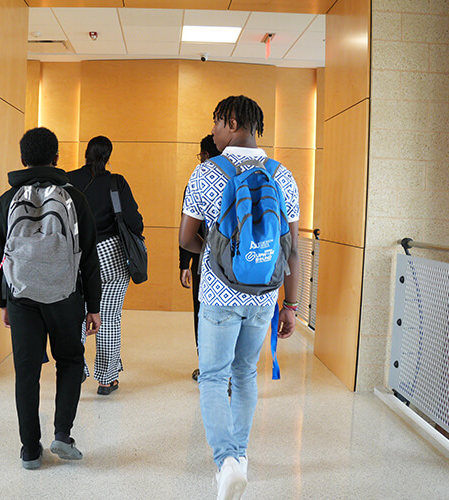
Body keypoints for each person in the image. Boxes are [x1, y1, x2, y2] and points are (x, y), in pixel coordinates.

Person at [179, 96, 300, 500]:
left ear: (232, 123)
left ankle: (226, 461)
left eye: (216, 122)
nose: (212, 131)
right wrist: (290, 305)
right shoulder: (283, 176)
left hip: (218, 294)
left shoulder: (205, 173)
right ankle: (241, 458)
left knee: (214, 377)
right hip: (264, 296)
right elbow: (292, 251)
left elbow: (186, 238)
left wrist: (218, 257)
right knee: (246, 374)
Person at [0, 127, 102, 469]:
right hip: (65, 295)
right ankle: (62, 434)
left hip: (21, 297)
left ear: (23, 159)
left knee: (26, 372)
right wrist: (93, 306)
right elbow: (89, 256)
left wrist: (3, 301)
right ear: (56, 158)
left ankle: (29, 449)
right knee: (70, 361)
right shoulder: (74, 198)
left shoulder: (8, 200)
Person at [67, 136, 143, 396]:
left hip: (76, 255)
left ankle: (75, 369)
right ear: (108, 156)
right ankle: (107, 380)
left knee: (76, 315)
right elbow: (134, 221)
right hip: (110, 254)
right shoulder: (115, 183)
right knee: (109, 317)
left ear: (86, 153)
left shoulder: (68, 181)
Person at [179, 134, 221, 382]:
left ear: (205, 155)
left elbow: (188, 230)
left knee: (202, 312)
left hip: (204, 261)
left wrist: (185, 263)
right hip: (242, 262)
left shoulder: (198, 180)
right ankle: (230, 370)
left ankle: (206, 365)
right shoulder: (241, 177)